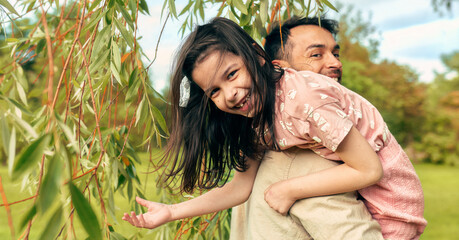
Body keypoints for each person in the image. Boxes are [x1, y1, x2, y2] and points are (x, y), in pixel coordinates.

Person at [122, 17, 427, 240]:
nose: (229, 94)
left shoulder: (303, 100)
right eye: (214, 91)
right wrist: (172, 211)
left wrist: (288, 189)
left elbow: (370, 170)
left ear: (256, 56)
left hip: (392, 207)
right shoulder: (257, 114)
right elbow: (241, 186)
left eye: (231, 74)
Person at [230, 16, 384, 240]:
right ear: (280, 70)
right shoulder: (306, 160)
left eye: (336, 54)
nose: (336, 63)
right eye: (316, 54)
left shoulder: (267, 138)